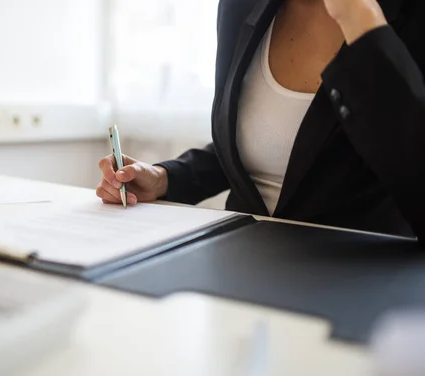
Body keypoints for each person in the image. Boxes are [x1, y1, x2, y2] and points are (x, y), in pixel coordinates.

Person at [96, 0, 425, 239]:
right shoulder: (240, 7)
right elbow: (254, 143)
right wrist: (167, 178)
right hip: (243, 266)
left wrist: (360, 20)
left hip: (365, 285)